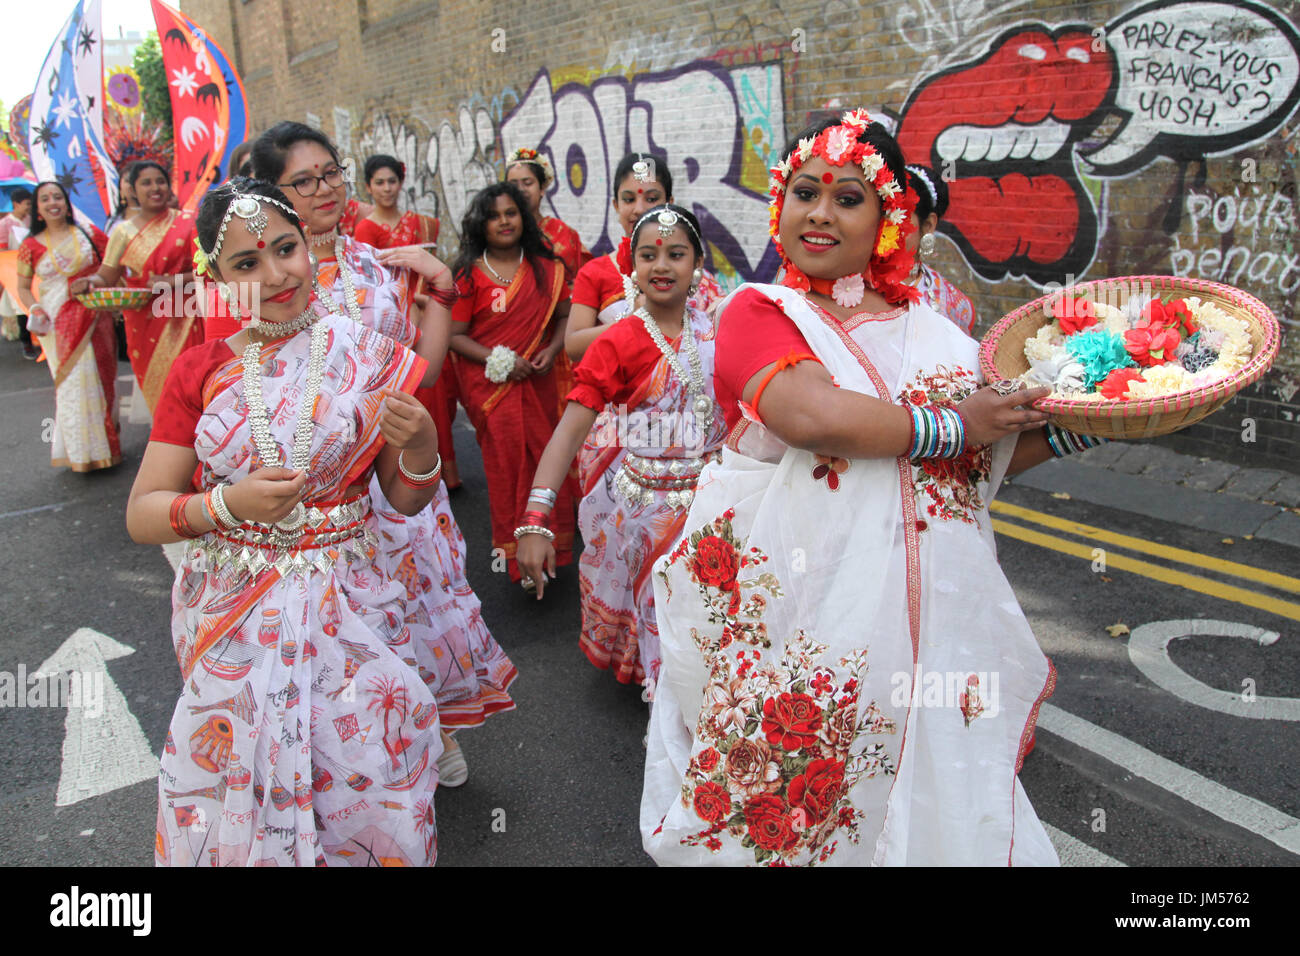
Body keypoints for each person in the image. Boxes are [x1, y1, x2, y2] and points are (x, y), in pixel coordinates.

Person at [641, 110, 1099, 866]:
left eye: (848, 197)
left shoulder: (938, 331)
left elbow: (971, 469)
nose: (820, 212)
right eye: (805, 192)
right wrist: (959, 424)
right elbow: (813, 416)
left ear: (889, 218)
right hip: (812, 617)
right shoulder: (760, 311)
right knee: (806, 804)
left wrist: (1080, 427)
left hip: (938, 616)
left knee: (929, 794)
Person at [129, 180, 442, 866]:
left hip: (355, 603)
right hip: (236, 616)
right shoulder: (200, 370)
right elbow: (144, 512)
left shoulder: (369, 355)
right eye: (246, 264)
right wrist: (224, 505)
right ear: (216, 279)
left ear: (307, 246)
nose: (275, 275)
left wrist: (421, 450)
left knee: (370, 779)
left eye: (285, 249)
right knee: (233, 779)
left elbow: (406, 498)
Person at [250, 122, 516, 777]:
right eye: (303, 180)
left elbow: (420, 374)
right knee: (337, 628)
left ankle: (431, 729)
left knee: (411, 608)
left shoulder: (375, 267)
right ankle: (351, 757)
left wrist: (441, 290)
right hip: (312, 496)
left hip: (395, 475)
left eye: (331, 172)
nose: (325, 189)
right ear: (272, 193)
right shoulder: (264, 277)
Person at [516, 204, 725, 689]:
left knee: (706, 614)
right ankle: (669, 715)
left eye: (676, 254)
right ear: (632, 268)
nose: (662, 265)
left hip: (714, 501)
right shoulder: (618, 340)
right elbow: (568, 432)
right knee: (659, 615)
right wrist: (534, 518)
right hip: (644, 512)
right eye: (648, 254)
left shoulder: (719, 329)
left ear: (697, 265)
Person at [449, 182, 577, 585]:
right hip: (495, 392)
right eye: (493, 215)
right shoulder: (469, 274)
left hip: (539, 386)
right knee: (506, 471)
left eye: (511, 212)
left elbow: (564, 319)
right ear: (479, 224)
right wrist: (500, 360)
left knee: (546, 463)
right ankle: (510, 557)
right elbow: (455, 335)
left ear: (523, 216)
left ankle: (553, 552)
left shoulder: (547, 269)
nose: (503, 221)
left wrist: (552, 350)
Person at [354, 153, 460, 489]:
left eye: (392, 181)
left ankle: (443, 472)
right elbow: (367, 282)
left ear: (401, 183)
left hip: (429, 311)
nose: (387, 188)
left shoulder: (424, 223)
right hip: (391, 324)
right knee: (409, 397)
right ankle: (407, 475)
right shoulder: (365, 229)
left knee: (437, 394)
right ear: (368, 187)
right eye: (379, 182)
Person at [73, 161, 203, 413]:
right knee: (160, 398)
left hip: (186, 319)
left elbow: (209, 270)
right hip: (143, 323)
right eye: (146, 182)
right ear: (132, 190)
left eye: (160, 181)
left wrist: (173, 281)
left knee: (194, 390)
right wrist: (89, 283)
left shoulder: (190, 222)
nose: (155, 188)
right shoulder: (123, 233)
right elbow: (106, 276)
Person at [15, 182, 120, 471]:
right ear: (37, 207)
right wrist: (33, 307)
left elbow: (113, 263)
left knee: (101, 379)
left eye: (57, 197)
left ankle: (106, 447)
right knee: (72, 383)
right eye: (45, 198)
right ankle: (81, 453)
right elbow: (23, 287)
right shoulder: (30, 246)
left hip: (95, 319)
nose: (52, 202)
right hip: (56, 322)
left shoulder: (87, 234)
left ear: (66, 202)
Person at [905, 164, 976, 335]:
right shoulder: (847, 286)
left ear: (928, 225)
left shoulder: (955, 305)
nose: (886, 225)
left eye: (900, 215)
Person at [504, 147, 590, 287]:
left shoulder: (563, 233)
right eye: (513, 184)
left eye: (527, 183)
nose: (520, 190)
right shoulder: (501, 234)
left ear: (542, 188)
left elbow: (587, 278)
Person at [0, 186, 36, 356]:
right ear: (16, 204)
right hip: (14, 270)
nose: (29, 207)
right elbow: (2, 250)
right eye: (26, 204)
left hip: (32, 267)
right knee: (20, 307)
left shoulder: (31, 220)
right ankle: (26, 342)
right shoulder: (5, 224)